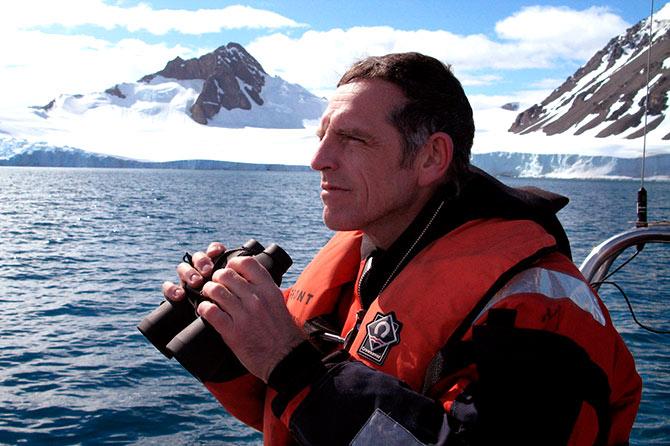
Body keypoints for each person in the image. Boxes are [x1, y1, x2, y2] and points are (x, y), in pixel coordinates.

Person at [162, 52, 641, 445]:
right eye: (322, 135)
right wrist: (224, 334)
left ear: (432, 157)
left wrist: (292, 364)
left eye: (352, 138)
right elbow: (289, 411)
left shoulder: (539, 312)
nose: (318, 159)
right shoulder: (370, 258)